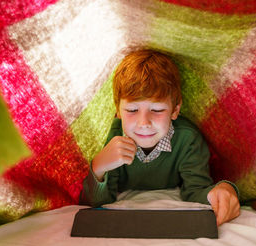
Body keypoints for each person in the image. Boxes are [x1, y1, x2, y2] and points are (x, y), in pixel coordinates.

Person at [80, 49, 240, 226]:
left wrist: (223, 190)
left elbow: (195, 191)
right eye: (132, 110)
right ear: (118, 110)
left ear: (175, 111)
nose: (144, 122)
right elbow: (95, 203)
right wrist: (99, 166)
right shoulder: (114, 136)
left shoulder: (188, 140)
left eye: (157, 110)